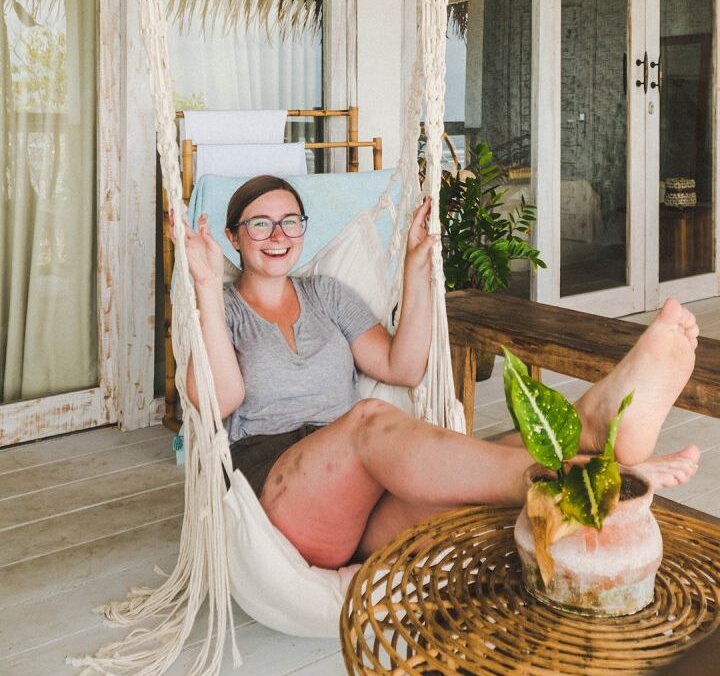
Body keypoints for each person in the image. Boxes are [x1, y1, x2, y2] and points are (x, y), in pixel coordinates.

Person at [179, 174, 700, 571]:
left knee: (464, 487)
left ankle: (590, 428)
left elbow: (402, 367)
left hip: (368, 501)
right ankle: (572, 476)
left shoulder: (326, 295)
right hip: (284, 491)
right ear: (232, 236)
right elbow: (217, 400)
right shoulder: (219, 307)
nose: (278, 235)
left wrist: (416, 267)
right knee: (368, 420)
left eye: (290, 221)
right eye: (259, 223)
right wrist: (204, 284)